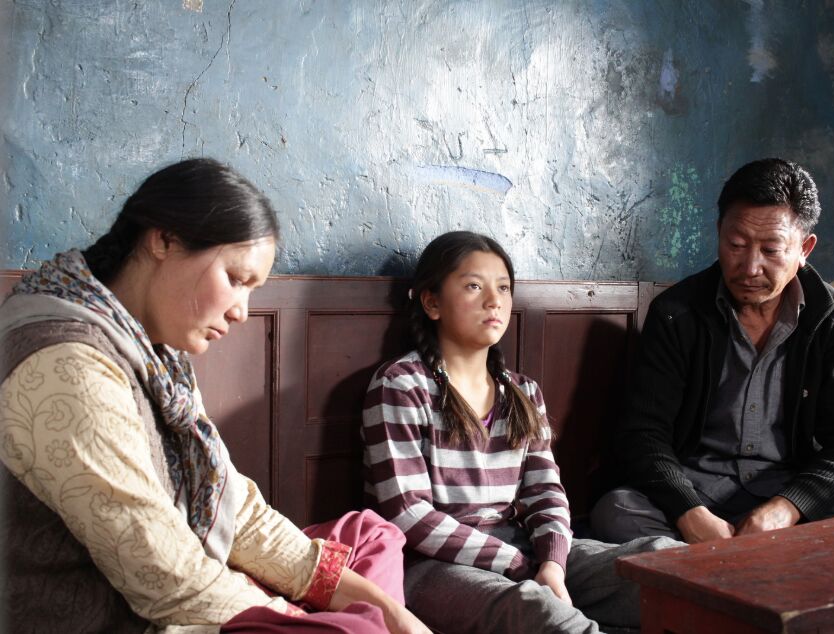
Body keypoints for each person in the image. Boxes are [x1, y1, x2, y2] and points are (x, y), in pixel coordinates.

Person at [0, 158, 429, 634]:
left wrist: (387, 609)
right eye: (236, 279)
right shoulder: (67, 365)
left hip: (191, 566)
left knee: (372, 538)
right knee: (354, 627)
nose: (243, 312)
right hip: (123, 614)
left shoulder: (155, 353)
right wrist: (310, 615)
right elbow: (165, 576)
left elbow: (228, 502)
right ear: (163, 239)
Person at [360, 230, 682, 634]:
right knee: (536, 609)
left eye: (503, 287)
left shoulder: (523, 391)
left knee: (661, 562)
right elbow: (410, 516)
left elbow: (545, 491)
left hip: (521, 546)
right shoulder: (401, 385)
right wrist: (519, 565)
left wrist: (551, 562)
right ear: (432, 302)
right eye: (474, 286)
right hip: (431, 568)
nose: (494, 301)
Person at [590, 158, 834, 545]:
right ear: (719, 233)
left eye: (771, 249)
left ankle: (706, 571)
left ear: (805, 249)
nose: (750, 267)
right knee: (616, 510)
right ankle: (772, 568)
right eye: (737, 245)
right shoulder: (676, 314)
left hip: (792, 496)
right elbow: (643, 434)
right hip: (698, 495)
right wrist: (689, 513)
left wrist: (787, 507)